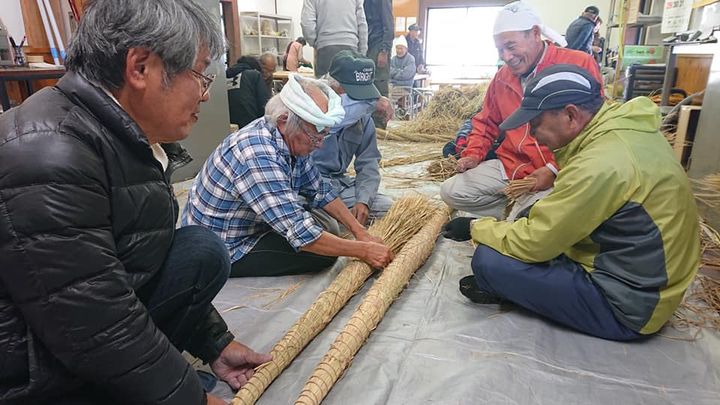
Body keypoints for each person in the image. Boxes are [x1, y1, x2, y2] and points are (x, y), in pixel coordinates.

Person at [0, 1, 272, 404]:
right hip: (30, 370)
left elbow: (143, 255)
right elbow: (94, 320)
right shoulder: (48, 153)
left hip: (71, 329)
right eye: (200, 75)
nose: (204, 94)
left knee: (201, 252)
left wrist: (215, 344)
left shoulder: (120, 133)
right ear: (141, 67)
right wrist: (187, 398)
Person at [442, 64, 700, 341]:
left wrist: (475, 228)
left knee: (489, 261)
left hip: (629, 306)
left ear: (570, 115)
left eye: (536, 123)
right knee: (527, 216)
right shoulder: (623, 131)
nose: (531, 134)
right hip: (650, 280)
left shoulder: (599, 164)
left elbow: (534, 244)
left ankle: (520, 291)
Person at [183, 74, 394, 278]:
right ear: (285, 120)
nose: (320, 142)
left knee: (328, 231)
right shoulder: (258, 154)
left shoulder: (288, 137)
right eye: (316, 133)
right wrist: (364, 251)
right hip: (225, 245)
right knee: (320, 256)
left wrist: (360, 232)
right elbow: (302, 234)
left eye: (324, 134)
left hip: (248, 225)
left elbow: (320, 190)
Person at [440, 0, 601, 219]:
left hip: (555, 171)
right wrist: (473, 154)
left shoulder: (576, 64)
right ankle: (517, 216)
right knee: (451, 191)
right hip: (512, 165)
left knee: (558, 211)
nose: (506, 56)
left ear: (535, 33)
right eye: (500, 50)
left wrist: (554, 170)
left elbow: (593, 128)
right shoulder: (503, 77)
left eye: (511, 46)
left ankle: (523, 216)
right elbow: (486, 121)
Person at [314, 50, 394, 225]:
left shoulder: (362, 118)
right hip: (309, 188)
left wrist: (363, 200)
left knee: (387, 207)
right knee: (321, 222)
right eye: (355, 95)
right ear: (333, 87)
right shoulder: (309, 113)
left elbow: (368, 162)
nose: (362, 103)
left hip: (339, 185)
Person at [301, 0, 368, 77]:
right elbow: (362, 23)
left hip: (325, 48)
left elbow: (306, 24)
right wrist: (362, 53)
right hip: (351, 47)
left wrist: (316, 43)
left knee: (324, 87)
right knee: (351, 86)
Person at [226, 55, 271, 128]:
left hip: (229, 126)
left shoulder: (225, 77)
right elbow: (264, 105)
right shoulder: (254, 74)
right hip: (251, 125)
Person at [364, 0, 394, 97]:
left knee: (379, 86)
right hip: (368, 45)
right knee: (367, 84)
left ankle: (383, 112)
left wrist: (384, 50)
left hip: (378, 44)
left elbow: (389, 24)